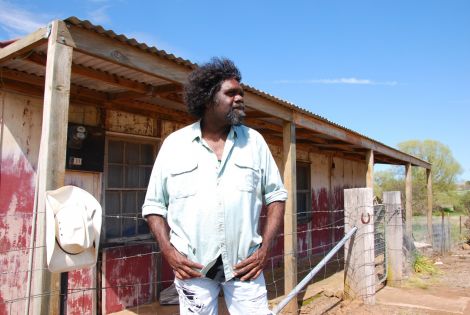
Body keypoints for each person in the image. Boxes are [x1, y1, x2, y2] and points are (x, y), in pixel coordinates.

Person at [142, 57, 287, 314]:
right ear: (208, 99)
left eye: (241, 93)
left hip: (246, 266)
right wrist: (169, 252)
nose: (240, 98)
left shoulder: (255, 142)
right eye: (231, 93)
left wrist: (265, 249)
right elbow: (154, 205)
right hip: (193, 269)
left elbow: (276, 196)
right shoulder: (175, 145)